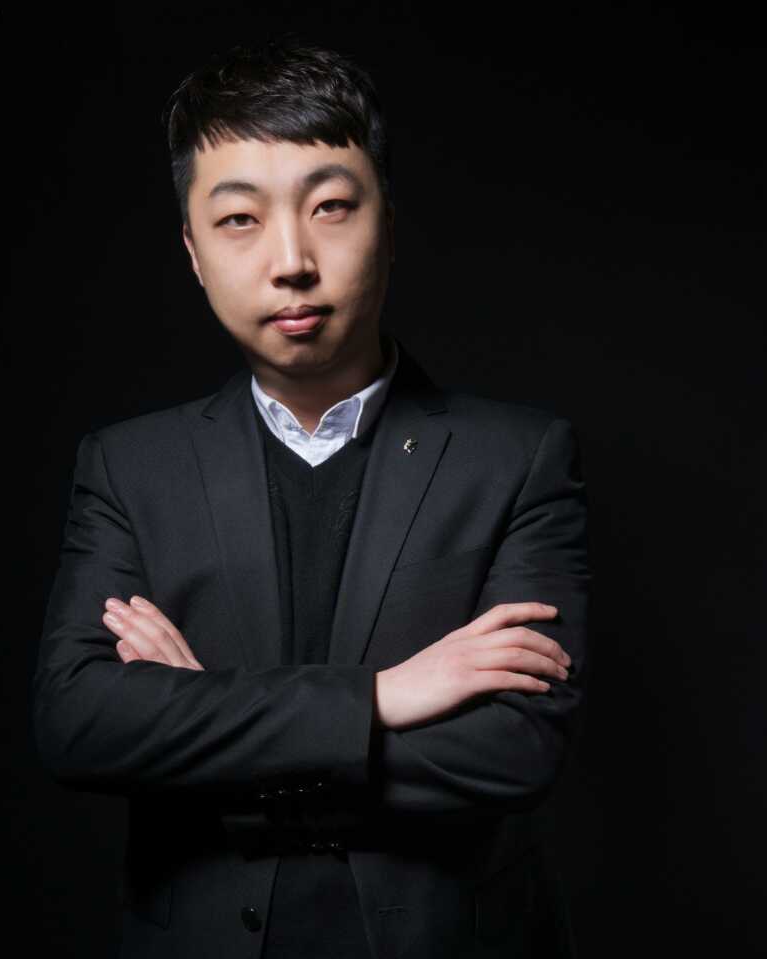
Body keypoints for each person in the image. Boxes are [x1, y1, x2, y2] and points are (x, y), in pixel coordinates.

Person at [33, 34, 591, 959]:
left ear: (387, 223)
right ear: (193, 251)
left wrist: (199, 722)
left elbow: (516, 748)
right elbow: (78, 725)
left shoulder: (517, 457)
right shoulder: (129, 467)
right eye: (239, 219)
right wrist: (382, 696)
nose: (291, 259)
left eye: (330, 206)